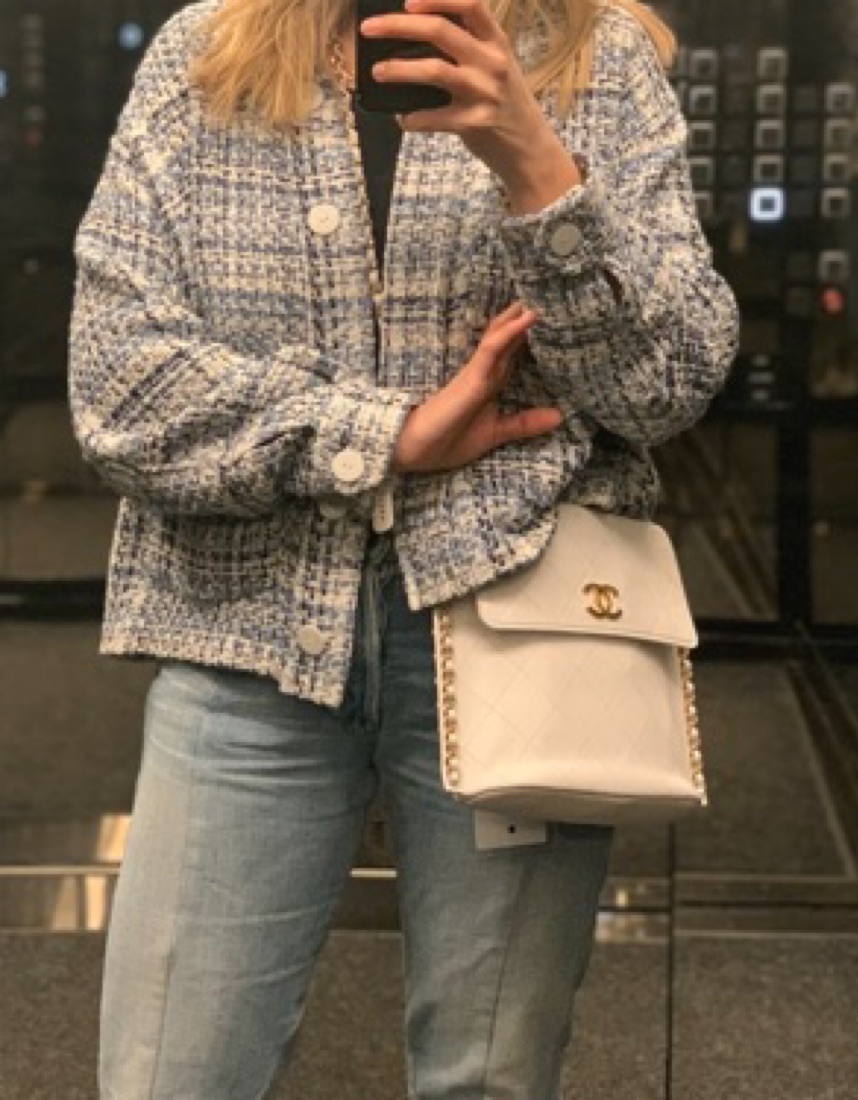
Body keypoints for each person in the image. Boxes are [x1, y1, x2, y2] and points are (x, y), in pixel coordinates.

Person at [68, 0, 739, 1097]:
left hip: (519, 630)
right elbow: (119, 388)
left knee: (488, 1076)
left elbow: (665, 386)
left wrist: (537, 171)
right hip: (247, 635)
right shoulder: (209, 54)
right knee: (170, 1074)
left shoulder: (597, 58)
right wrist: (387, 435)